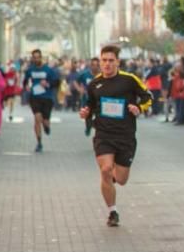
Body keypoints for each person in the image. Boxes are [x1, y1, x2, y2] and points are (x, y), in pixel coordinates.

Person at [79, 45, 153, 227]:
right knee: (105, 170)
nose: (107, 64)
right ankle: (112, 211)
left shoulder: (129, 80)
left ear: (118, 62)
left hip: (125, 136)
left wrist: (139, 108)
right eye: (104, 60)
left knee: (121, 179)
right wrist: (85, 113)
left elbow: (147, 97)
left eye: (111, 60)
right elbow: (89, 106)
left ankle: (112, 178)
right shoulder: (94, 84)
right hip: (103, 134)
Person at [21, 49, 61, 153]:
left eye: (38, 57)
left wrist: (47, 84)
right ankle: (39, 143)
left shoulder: (48, 70)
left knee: (45, 121)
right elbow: (25, 81)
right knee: (37, 118)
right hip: (35, 97)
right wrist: (26, 87)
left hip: (47, 98)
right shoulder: (30, 70)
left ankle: (46, 125)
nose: (36, 59)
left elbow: (57, 82)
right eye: (34, 57)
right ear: (32, 58)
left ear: (41, 57)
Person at [77, 57, 100, 136]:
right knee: (88, 117)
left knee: (99, 117)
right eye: (93, 65)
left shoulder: (102, 75)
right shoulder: (85, 74)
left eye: (97, 65)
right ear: (90, 66)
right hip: (87, 99)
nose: (95, 67)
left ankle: (97, 130)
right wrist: (80, 89)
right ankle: (88, 127)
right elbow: (76, 81)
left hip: (98, 100)